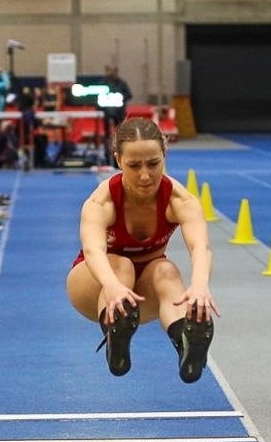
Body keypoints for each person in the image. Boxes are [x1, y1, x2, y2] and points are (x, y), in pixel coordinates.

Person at [67, 117, 217, 383]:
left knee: (167, 269)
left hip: (144, 296)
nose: (145, 175)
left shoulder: (180, 200)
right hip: (94, 288)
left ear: (165, 153)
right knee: (121, 266)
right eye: (134, 166)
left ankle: (186, 341)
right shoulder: (102, 202)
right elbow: (92, 251)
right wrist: (112, 285)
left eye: (153, 164)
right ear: (117, 160)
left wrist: (200, 285)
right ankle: (115, 330)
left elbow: (200, 246)